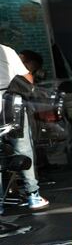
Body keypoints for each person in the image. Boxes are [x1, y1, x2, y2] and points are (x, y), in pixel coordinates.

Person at [0, 43, 49, 215]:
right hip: (9, 105)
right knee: (23, 148)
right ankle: (33, 195)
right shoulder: (6, 51)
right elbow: (28, 80)